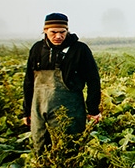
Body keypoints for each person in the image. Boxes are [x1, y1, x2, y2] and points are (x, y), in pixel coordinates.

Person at [22, 12, 102, 155]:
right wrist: (26, 111)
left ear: (67, 30)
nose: (58, 36)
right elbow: (29, 81)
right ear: (45, 30)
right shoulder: (37, 49)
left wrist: (93, 109)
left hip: (70, 109)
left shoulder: (79, 49)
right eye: (53, 32)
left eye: (62, 32)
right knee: (40, 145)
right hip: (39, 108)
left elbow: (93, 80)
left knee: (70, 148)